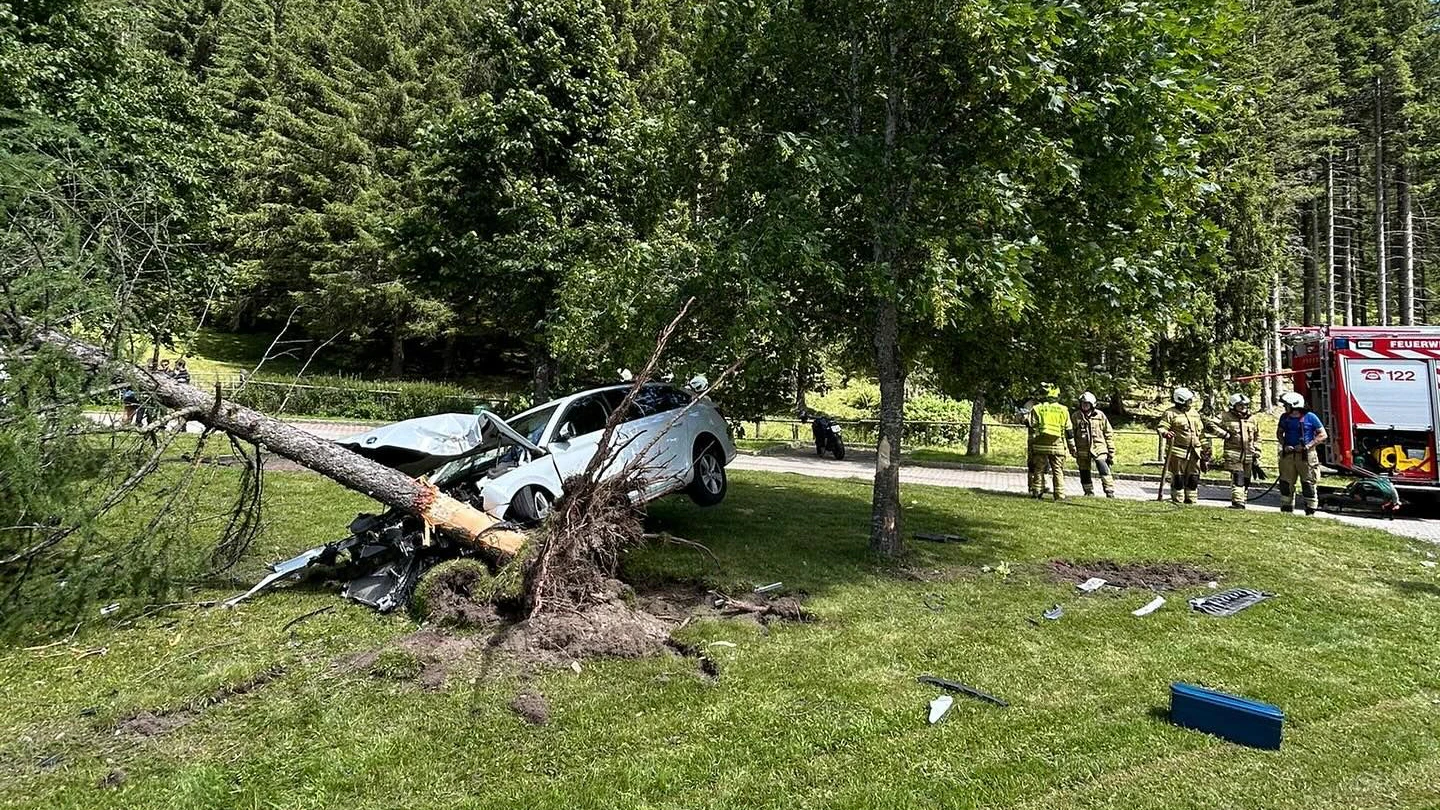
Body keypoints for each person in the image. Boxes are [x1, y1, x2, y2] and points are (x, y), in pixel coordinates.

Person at [1208, 393, 1262, 509]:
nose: (1243, 407)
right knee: (1238, 477)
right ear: (1233, 406)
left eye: (1245, 405)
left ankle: (1242, 500)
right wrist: (1224, 434)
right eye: (1240, 405)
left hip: (1249, 454)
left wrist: (1257, 450)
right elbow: (1209, 424)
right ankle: (1238, 502)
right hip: (1233, 454)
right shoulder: (1225, 416)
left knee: (1246, 479)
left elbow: (1257, 436)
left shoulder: (1252, 419)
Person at [1277, 391, 1327, 515]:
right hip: (1288, 456)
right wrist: (1284, 445)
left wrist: (1307, 446)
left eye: (1287, 405)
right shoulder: (1284, 417)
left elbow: (1323, 434)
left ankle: (1310, 510)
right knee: (1286, 483)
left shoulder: (1311, 417)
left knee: (1308, 483)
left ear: (1294, 405)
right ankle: (1286, 509)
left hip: (1306, 456)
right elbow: (1279, 432)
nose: (1285, 407)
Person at [1157, 386, 1206, 505]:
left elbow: (1201, 433)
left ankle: (1191, 500)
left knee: (1193, 477)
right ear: (1181, 400)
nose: (1191, 402)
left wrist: (1206, 447)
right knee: (1178, 477)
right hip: (1178, 452)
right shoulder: (1170, 413)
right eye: (1189, 400)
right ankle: (1178, 500)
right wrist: (1166, 433)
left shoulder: (1194, 413)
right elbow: (1161, 428)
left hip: (1194, 452)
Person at [1025, 383, 1072, 501]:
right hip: (1057, 445)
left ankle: (1037, 492)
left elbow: (1031, 425)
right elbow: (1069, 431)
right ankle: (1059, 495)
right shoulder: (1063, 410)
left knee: (1039, 469)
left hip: (1040, 444)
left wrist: (1031, 443)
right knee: (1057, 470)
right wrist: (1072, 447)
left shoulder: (1037, 408)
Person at [1070, 391, 1116, 497]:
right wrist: (1073, 448)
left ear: (1092, 404)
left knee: (1102, 465)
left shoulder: (1100, 415)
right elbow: (1071, 433)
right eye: (1083, 403)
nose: (1085, 406)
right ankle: (1088, 492)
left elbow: (1108, 433)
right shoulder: (1076, 416)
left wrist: (1111, 450)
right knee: (1084, 470)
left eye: (1087, 404)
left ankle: (1109, 491)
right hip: (1082, 448)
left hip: (1099, 447)